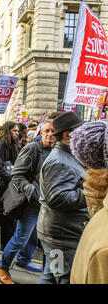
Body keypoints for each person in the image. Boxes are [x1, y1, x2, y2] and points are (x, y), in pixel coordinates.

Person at [0, 120, 55, 284]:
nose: (50, 135)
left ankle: (23, 260)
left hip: (48, 205)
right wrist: (33, 192)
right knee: (21, 237)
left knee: (36, 236)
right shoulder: (32, 149)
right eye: (47, 131)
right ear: (41, 132)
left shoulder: (58, 151)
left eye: (53, 132)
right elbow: (17, 176)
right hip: (32, 203)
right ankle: (2, 265)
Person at [37, 111, 88, 284]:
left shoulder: (67, 156)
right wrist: (89, 192)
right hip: (60, 239)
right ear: (68, 134)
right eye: (80, 130)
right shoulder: (59, 161)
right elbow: (57, 198)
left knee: (51, 275)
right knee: (64, 278)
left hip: (59, 236)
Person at [70, 120, 108, 284]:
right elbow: (54, 196)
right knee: (55, 270)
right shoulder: (104, 250)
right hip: (58, 228)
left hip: (68, 226)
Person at [0, 121, 20, 250]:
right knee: (4, 213)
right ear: (8, 131)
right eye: (14, 131)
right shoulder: (0, 144)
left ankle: (5, 247)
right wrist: (10, 178)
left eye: (17, 131)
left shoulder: (14, 145)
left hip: (10, 184)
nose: (17, 133)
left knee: (9, 215)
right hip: (2, 185)